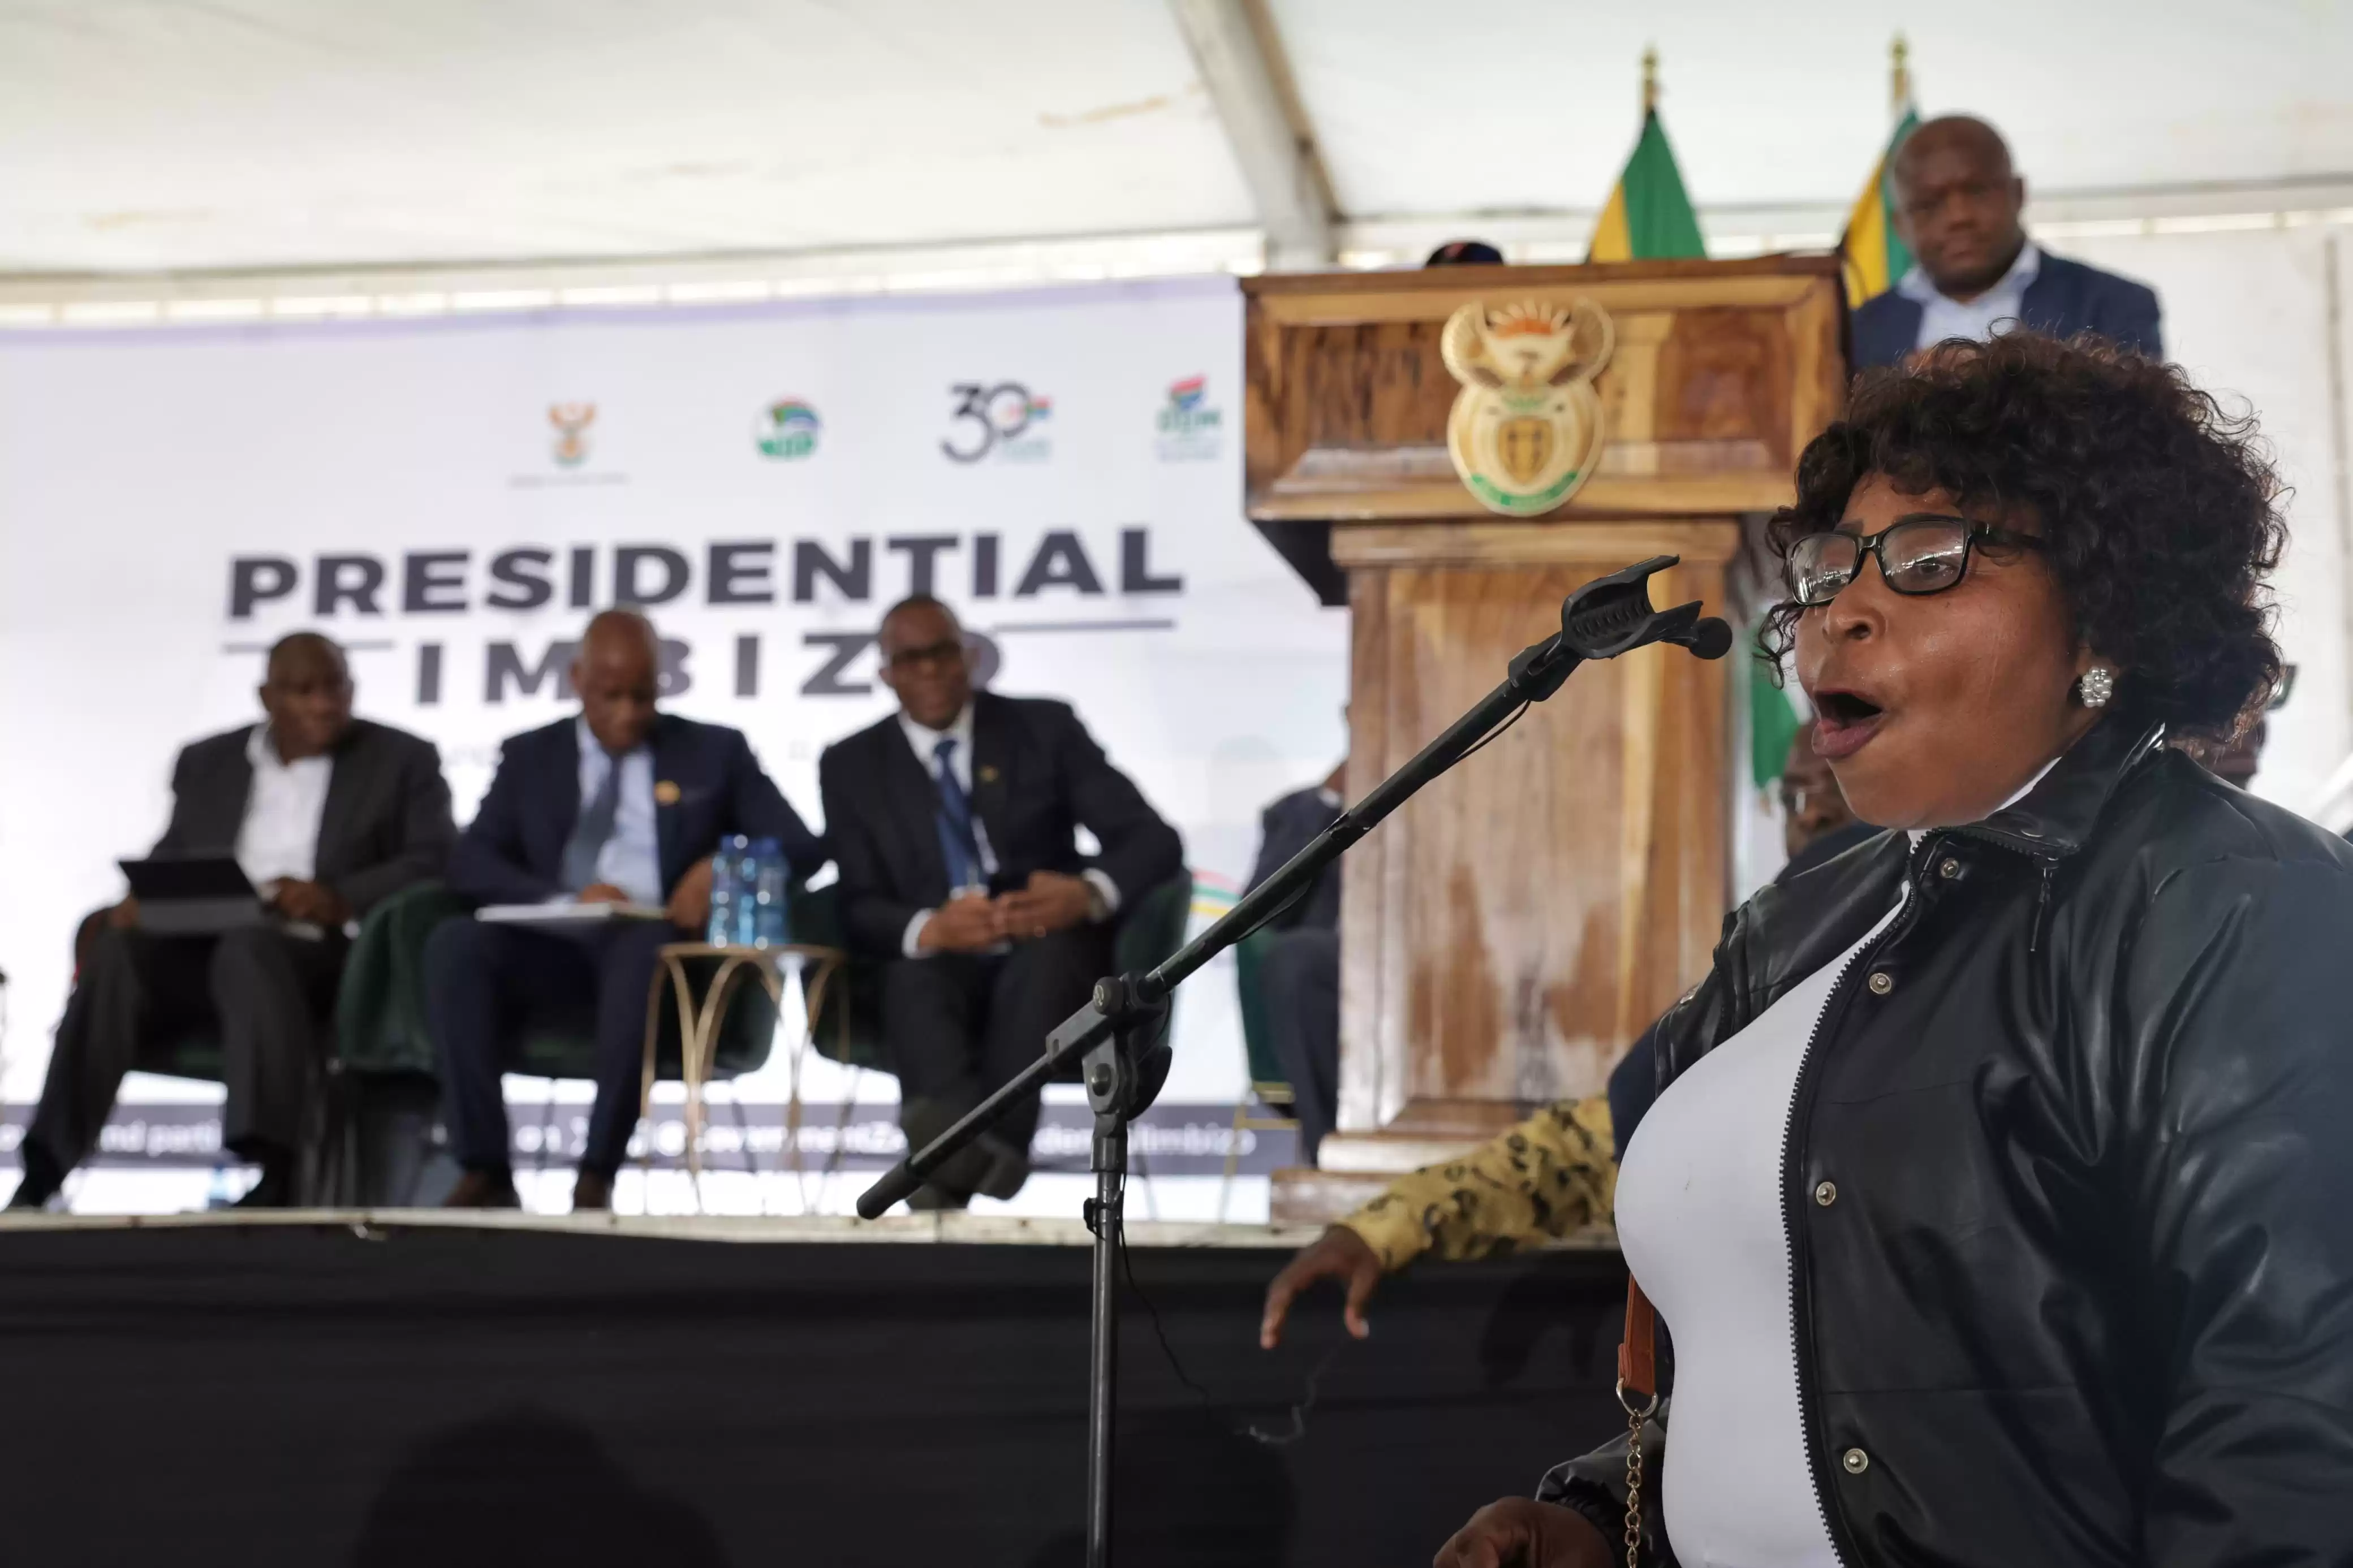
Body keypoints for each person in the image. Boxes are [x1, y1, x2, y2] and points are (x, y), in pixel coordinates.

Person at [1435, 334, 2353, 1566]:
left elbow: (2293, 1422)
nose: (1840, 612)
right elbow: (1794, 1339)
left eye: (1930, 561)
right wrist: (1604, 1515)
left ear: (2108, 613)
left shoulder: (2239, 904)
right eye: (1824, 571)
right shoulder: (1802, 917)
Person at [1259, 730, 1872, 1349]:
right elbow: (1586, 1150)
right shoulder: (1753, 988)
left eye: (1844, 793)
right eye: (1797, 798)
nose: (1817, 815)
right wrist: (1381, 1229)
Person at [11, 633, 454, 1211]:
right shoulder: (207, 762)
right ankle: (44, 1169)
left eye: (336, 687)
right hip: (203, 943)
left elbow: (435, 861)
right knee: (121, 949)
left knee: (250, 947)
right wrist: (142, 899)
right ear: (267, 697)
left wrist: (337, 896)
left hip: (322, 955)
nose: (324, 703)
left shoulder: (401, 759)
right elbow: (174, 854)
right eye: (304, 690)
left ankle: (275, 1163)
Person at [425, 610, 822, 1212]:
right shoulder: (531, 755)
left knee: (642, 948)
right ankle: (485, 1167)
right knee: (455, 944)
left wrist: (722, 866)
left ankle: (596, 1173)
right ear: (577, 679)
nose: (630, 711)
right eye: (611, 695)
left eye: (643, 694)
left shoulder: (713, 752)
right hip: (551, 946)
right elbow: (471, 861)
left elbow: (801, 847)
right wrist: (563, 901)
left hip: (654, 946)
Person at [818, 595, 1183, 1208]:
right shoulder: (850, 763)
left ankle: (953, 1165)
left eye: (942, 653)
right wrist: (927, 928)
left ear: (968, 657)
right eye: (911, 659)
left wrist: (1085, 892)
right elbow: (854, 902)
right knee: (915, 979)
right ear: (887, 675)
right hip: (938, 958)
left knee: (1042, 961)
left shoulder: (1043, 728)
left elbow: (1153, 841)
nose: (930, 671)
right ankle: (983, 1159)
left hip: (1048, 948)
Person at [1851, 115, 2161, 370]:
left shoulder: (2113, 305)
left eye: (1977, 192)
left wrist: (1998, 377)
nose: (1959, 217)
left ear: (2019, 193)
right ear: (1900, 226)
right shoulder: (1860, 331)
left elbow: (2138, 433)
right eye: (1930, 205)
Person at [1245, 760, 1345, 1163]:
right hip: (1340, 961)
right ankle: (1332, 1156)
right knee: (1297, 960)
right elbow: (1262, 911)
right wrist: (1331, 801)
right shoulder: (1297, 812)